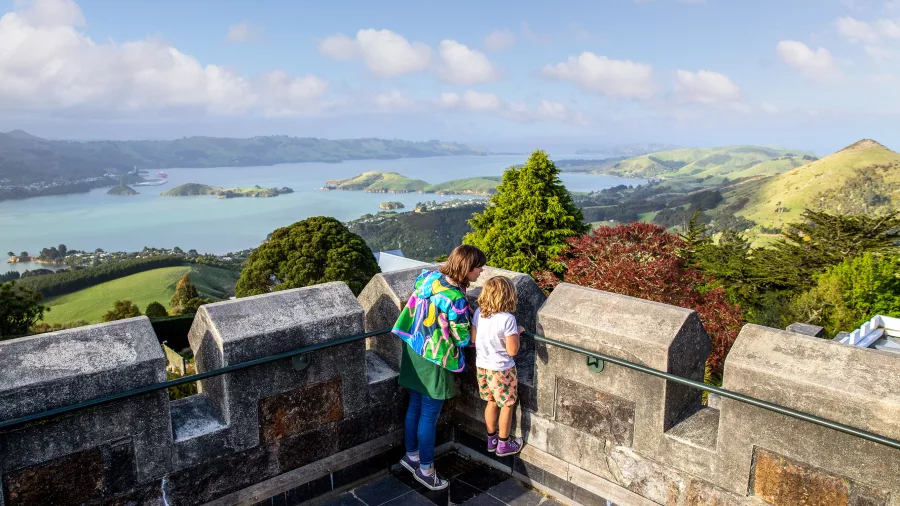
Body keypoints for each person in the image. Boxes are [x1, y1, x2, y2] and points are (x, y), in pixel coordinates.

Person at [392, 245, 485, 490]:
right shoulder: (454, 299)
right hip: (436, 357)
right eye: (478, 268)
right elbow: (464, 339)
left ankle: (411, 456)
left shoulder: (429, 277)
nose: (481, 272)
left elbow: (422, 294)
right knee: (429, 415)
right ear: (466, 268)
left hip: (414, 348)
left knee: (415, 404)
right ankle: (426, 470)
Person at [472, 276, 525, 457]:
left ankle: (491, 439)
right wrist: (517, 332)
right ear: (509, 295)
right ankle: (504, 444)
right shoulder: (508, 319)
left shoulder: (479, 312)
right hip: (502, 369)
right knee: (508, 405)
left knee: (491, 401)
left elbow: (473, 339)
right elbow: (512, 350)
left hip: (482, 366)